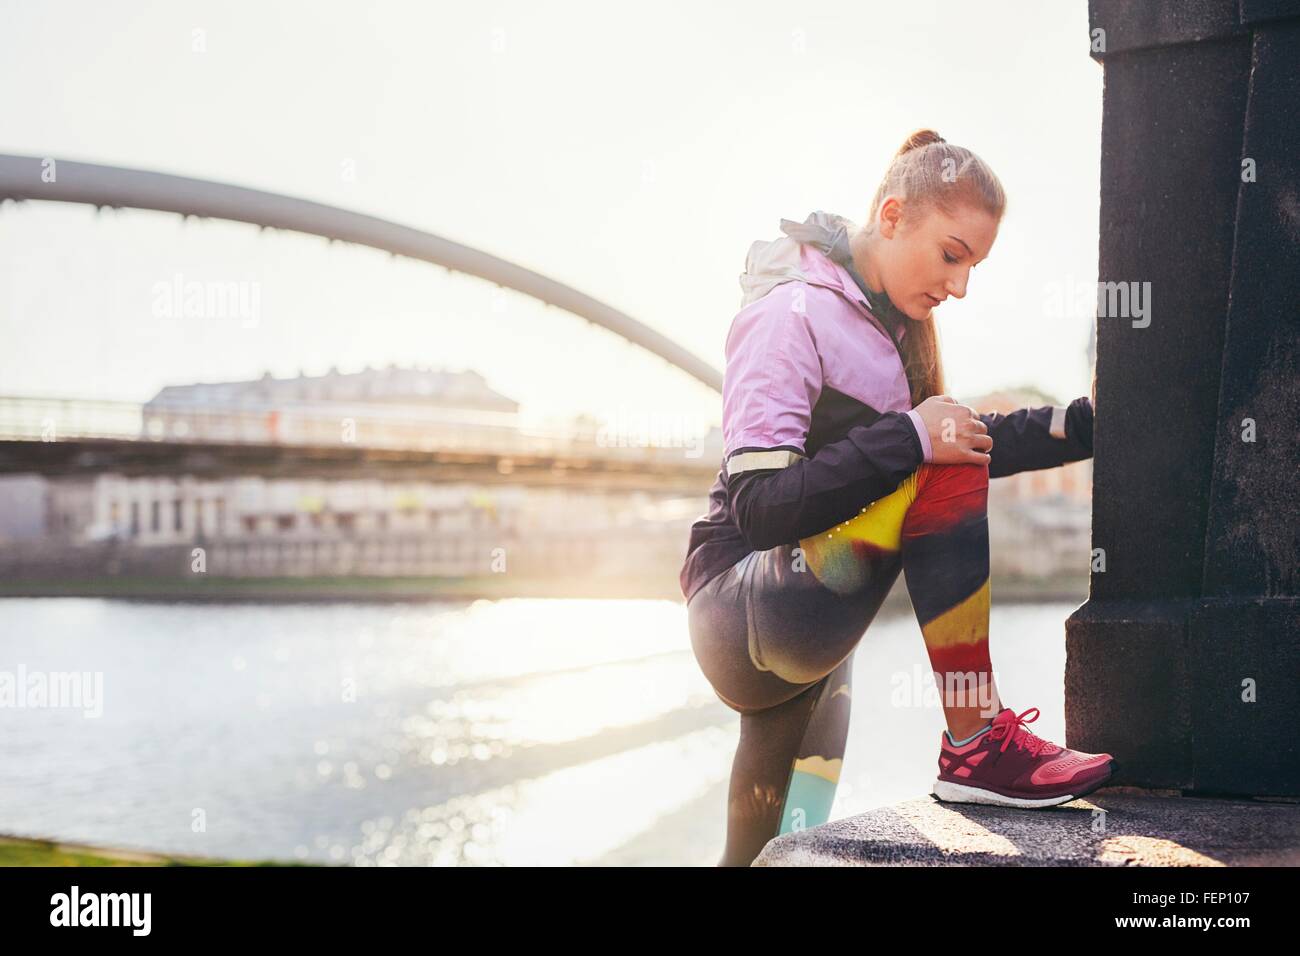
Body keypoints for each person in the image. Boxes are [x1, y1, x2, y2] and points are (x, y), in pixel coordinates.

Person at [680, 129, 1114, 867]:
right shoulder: (787, 314)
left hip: (812, 624)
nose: (960, 286)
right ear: (890, 216)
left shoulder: (893, 332)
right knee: (934, 461)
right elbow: (760, 506)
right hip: (743, 611)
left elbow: (962, 440)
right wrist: (911, 437)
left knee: (779, 841)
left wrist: (1080, 423)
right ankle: (976, 742)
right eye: (952, 254)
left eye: (973, 265)